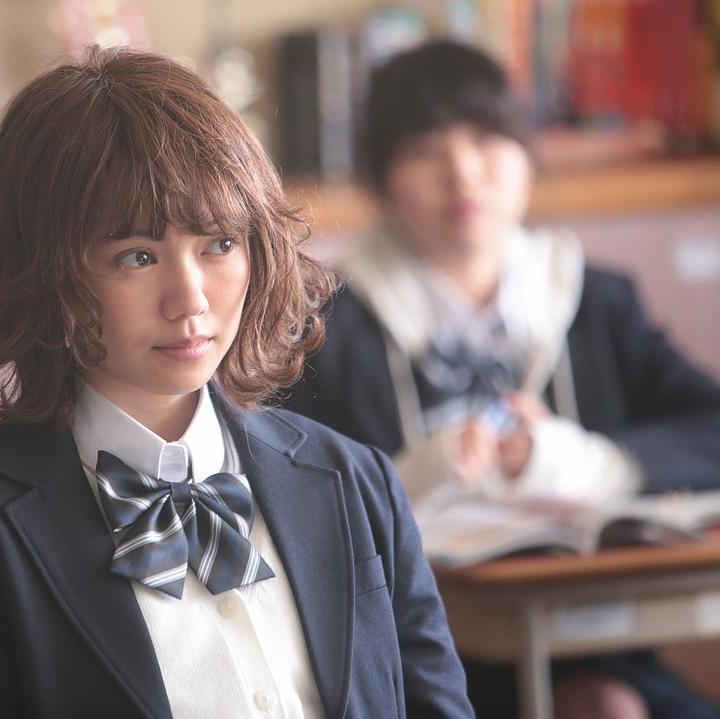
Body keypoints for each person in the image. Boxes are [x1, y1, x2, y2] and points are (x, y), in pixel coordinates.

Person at [0, 47, 474, 718]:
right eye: (137, 257)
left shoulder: (356, 481)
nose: (189, 298)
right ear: (42, 272)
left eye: (219, 244)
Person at [283, 39, 720, 718]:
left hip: (596, 638)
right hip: (409, 664)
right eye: (425, 148)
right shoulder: (329, 328)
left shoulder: (595, 300)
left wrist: (588, 461)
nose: (464, 174)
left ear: (526, 152)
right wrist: (409, 477)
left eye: (487, 139)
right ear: (383, 177)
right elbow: (285, 497)